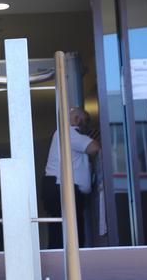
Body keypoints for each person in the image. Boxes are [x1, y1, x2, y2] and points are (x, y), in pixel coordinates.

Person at [42, 107, 101, 249]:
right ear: (77, 119)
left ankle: (63, 266)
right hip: (63, 190)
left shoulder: (66, 133)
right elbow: (94, 147)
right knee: (70, 236)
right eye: (86, 121)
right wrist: (95, 138)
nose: (86, 125)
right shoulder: (69, 132)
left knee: (63, 233)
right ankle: (67, 268)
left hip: (60, 189)